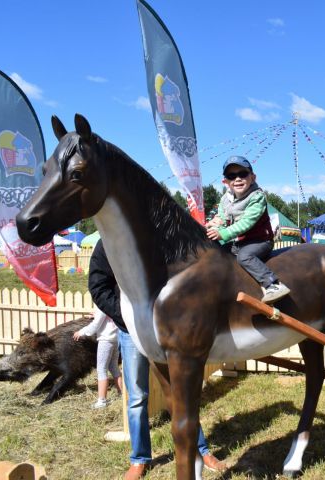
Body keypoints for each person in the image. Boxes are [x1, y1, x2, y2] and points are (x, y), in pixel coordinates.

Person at [89, 239, 224, 480]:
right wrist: (129, 316)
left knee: (179, 393)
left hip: (166, 330)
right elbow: (98, 286)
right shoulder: (108, 243)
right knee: (137, 397)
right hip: (131, 332)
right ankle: (140, 459)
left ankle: (200, 450)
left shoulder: (155, 235)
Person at [205, 156, 290, 303]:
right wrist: (214, 224)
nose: (237, 179)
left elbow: (246, 222)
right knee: (218, 252)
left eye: (242, 174)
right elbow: (222, 218)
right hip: (240, 241)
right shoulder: (225, 199)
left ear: (252, 177)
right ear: (225, 182)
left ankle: (273, 284)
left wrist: (223, 233)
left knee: (245, 257)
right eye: (231, 176)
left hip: (260, 241)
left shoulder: (257, 197)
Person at [72, 306, 122, 409]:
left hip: (105, 340)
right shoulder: (114, 300)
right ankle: (122, 394)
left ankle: (102, 401)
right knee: (113, 367)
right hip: (116, 338)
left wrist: (81, 332)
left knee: (101, 369)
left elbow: (96, 325)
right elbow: (109, 317)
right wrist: (97, 315)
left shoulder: (102, 304)